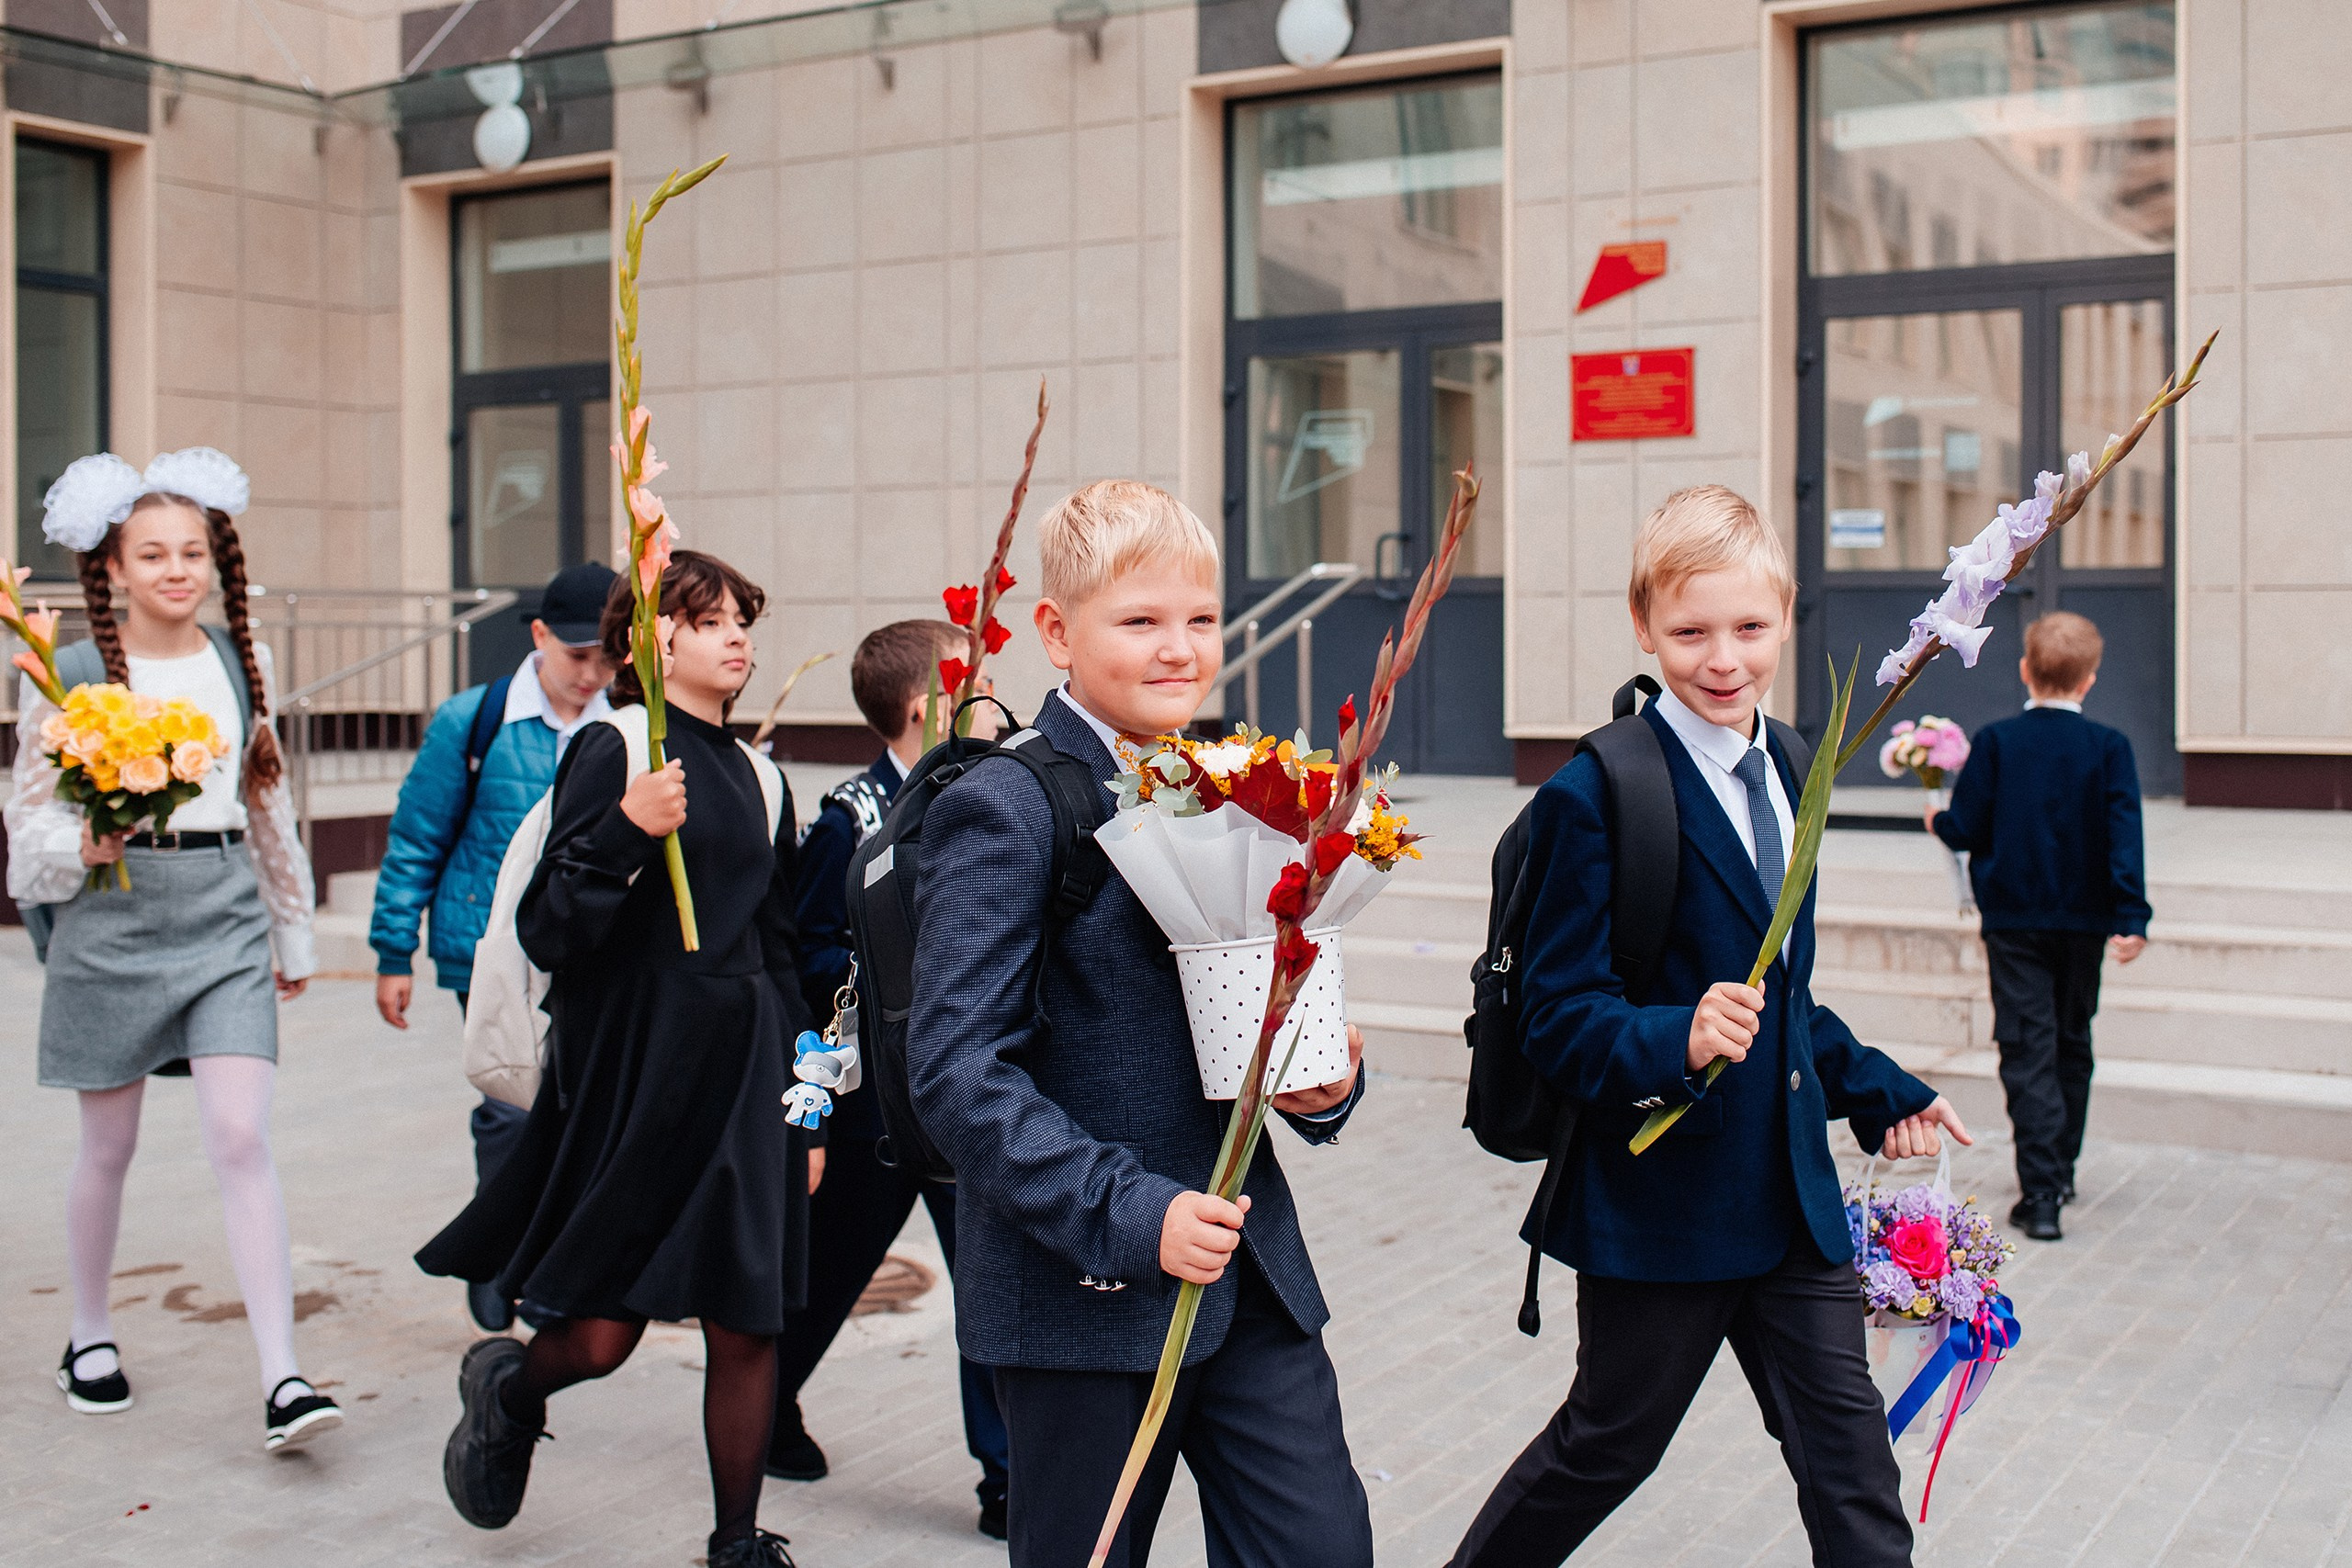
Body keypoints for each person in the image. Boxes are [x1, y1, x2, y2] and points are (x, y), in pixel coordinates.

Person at [1446, 485, 1973, 1568]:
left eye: (1749, 627)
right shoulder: (1597, 794)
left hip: (1787, 1204)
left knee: (1853, 1471)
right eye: (1689, 632)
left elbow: (1783, 997)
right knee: (1606, 1448)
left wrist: (1878, 1088)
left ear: (1786, 617)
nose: (1722, 658)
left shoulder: (1790, 765)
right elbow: (1557, 1018)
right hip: (1662, 1211)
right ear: (1644, 627)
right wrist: (1671, 1038)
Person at [906, 479, 1374, 1568]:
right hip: (1084, 1287)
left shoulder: (1230, 786)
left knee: (1322, 1548)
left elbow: (1245, 1007)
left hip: (1247, 1271)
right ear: (1056, 634)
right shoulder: (1005, 805)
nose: (1179, 650)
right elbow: (959, 1073)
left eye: (1200, 620)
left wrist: (1321, 1081)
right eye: (1140, 621)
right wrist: (1132, 1212)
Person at [416, 554, 818, 1568]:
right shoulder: (616, 744)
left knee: (746, 1321)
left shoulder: (763, 774)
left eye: (743, 620)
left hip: (750, 1076)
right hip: (641, 1078)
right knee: (600, 1338)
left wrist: (810, 1102)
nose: (738, 638)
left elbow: (780, 947)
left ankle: (737, 1541)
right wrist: (628, 833)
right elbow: (554, 928)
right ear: (654, 639)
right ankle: (509, 1387)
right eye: (711, 619)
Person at [7, 448, 341, 1450]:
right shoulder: (63, 672)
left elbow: (267, 799)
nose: (174, 570)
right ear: (110, 568)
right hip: (110, 914)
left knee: (240, 1135)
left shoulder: (243, 658)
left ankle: (284, 1377)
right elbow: (27, 827)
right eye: (151, 554)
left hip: (223, 910)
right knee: (108, 1145)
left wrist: (291, 928)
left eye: (191, 551)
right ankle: (90, 1335)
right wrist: (86, 841)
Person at [768, 619, 1012, 1538]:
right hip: (873, 1097)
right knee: (829, 1268)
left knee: (988, 1281)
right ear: (928, 709)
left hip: (964, 1093)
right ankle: (766, 1400)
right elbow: (808, 953)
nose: (995, 703)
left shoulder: (993, 801)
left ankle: (1006, 1477)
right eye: (978, 686)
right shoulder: (849, 820)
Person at [368, 560, 618, 1330]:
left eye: (609, 657)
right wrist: (391, 951)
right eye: (579, 656)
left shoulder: (631, 724)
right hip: (489, 951)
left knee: (578, 1113)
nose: (592, 674)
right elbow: (417, 837)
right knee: (512, 1106)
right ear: (539, 636)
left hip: (590, 952)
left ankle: (549, 1267)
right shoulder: (472, 721)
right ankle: (500, 1256)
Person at [1928, 610, 2148, 1243]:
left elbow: (1967, 825)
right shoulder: (2110, 747)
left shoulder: (1997, 741)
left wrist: (1936, 821)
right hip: (2084, 923)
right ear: (2089, 681)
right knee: (2072, 1039)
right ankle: (2062, 1168)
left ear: (2026, 669)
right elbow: (2123, 835)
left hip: (2015, 924)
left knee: (2027, 1047)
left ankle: (2042, 1192)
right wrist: (2131, 913)